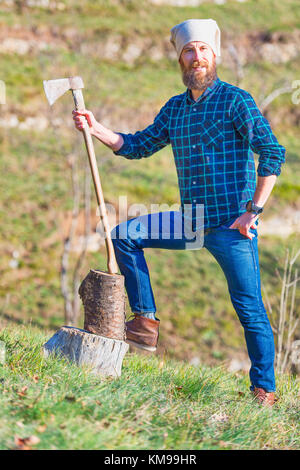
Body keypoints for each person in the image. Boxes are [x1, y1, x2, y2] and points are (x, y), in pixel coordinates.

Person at [72, 19, 285, 406]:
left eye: (203, 49)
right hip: (190, 222)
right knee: (123, 235)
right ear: (180, 58)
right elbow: (136, 145)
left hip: (231, 226)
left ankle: (264, 390)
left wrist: (253, 211)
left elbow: (272, 152)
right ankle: (146, 321)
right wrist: (96, 128)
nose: (196, 56)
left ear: (214, 55)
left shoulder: (237, 101)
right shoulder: (175, 110)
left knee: (250, 311)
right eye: (189, 50)